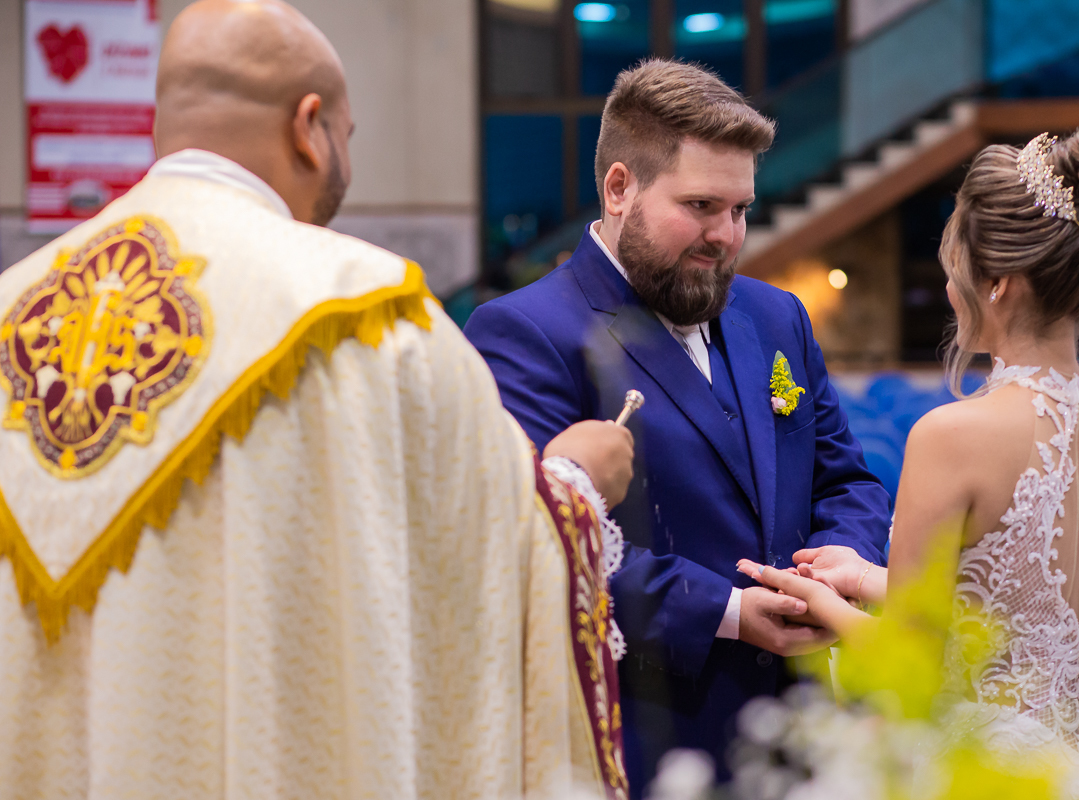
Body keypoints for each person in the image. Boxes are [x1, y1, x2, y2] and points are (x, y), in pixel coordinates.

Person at [0, 1, 636, 797]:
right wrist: (574, 485)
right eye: (348, 135)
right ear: (310, 127)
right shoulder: (367, 317)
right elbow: (472, 568)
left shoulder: (13, 309)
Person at [464, 59, 892, 795]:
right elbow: (535, 542)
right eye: (700, 205)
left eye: (741, 209)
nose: (726, 235)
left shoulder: (776, 316)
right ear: (619, 188)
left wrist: (839, 562)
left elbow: (846, 479)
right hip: (644, 742)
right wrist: (729, 612)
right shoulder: (523, 332)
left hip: (804, 738)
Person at [740, 118, 1079, 796]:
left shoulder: (952, 435)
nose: (950, 289)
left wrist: (818, 603)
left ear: (999, 283)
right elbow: (1021, 617)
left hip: (990, 774)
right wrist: (868, 576)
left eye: (955, 268)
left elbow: (915, 666)